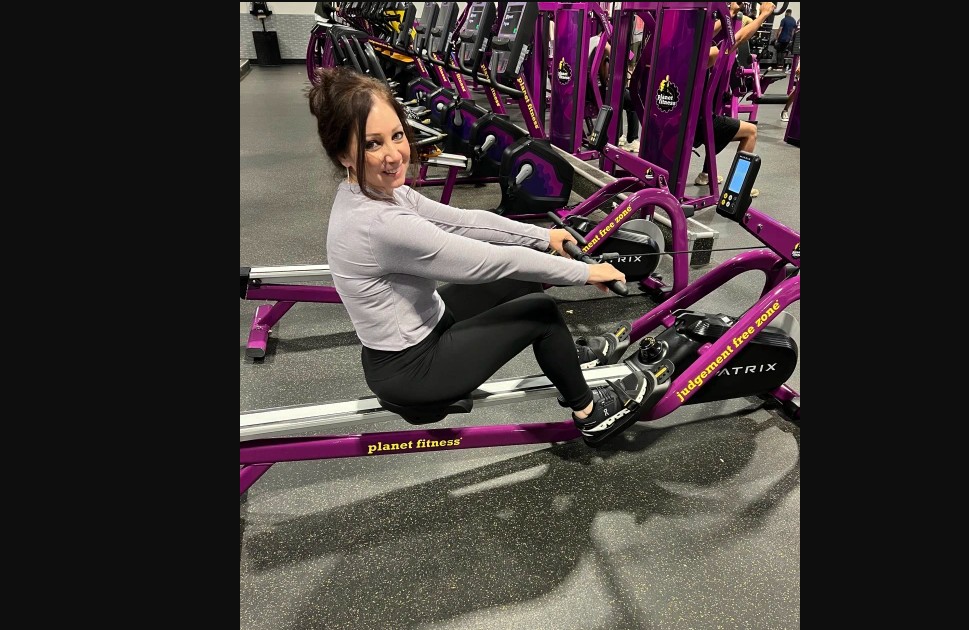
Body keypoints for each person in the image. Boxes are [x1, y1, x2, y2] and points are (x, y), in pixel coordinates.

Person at [306, 66, 639, 441]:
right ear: (344, 155)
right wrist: (586, 273)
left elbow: (464, 221)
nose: (393, 154)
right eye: (372, 144)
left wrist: (544, 236)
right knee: (541, 312)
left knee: (520, 283)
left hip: (425, 328)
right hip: (411, 370)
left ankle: (569, 360)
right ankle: (591, 414)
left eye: (396, 135)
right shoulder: (379, 224)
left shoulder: (379, 193)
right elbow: (490, 261)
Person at [693, 1, 775, 197]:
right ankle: (739, 188)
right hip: (697, 123)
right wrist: (763, 15)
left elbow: (707, 34)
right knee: (750, 132)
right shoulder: (702, 56)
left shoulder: (677, 48)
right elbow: (736, 40)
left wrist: (730, 12)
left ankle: (706, 173)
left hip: (679, 120)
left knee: (717, 119)